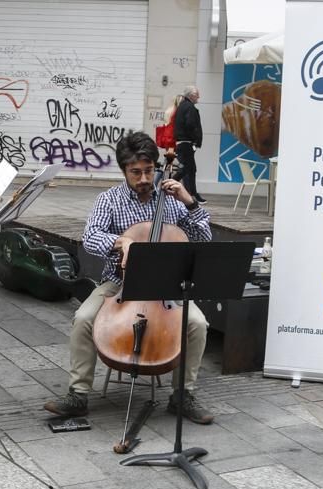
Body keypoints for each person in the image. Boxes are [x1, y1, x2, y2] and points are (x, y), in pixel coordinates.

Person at [43, 132, 215, 425]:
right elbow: (90, 237)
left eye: (149, 170)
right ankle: (78, 395)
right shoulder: (109, 200)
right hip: (119, 283)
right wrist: (122, 242)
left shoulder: (171, 200)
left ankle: (182, 396)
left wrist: (190, 203)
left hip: (165, 287)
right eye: (136, 172)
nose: (145, 178)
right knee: (84, 318)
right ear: (124, 171)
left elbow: (202, 237)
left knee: (197, 323)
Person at [174, 85, 205, 203]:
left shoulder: (183, 106)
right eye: (197, 94)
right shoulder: (189, 107)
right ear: (191, 96)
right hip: (186, 143)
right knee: (187, 169)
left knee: (190, 169)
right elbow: (191, 125)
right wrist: (195, 139)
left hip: (183, 143)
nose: (199, 97)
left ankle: (192, 193)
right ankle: (169, 184)